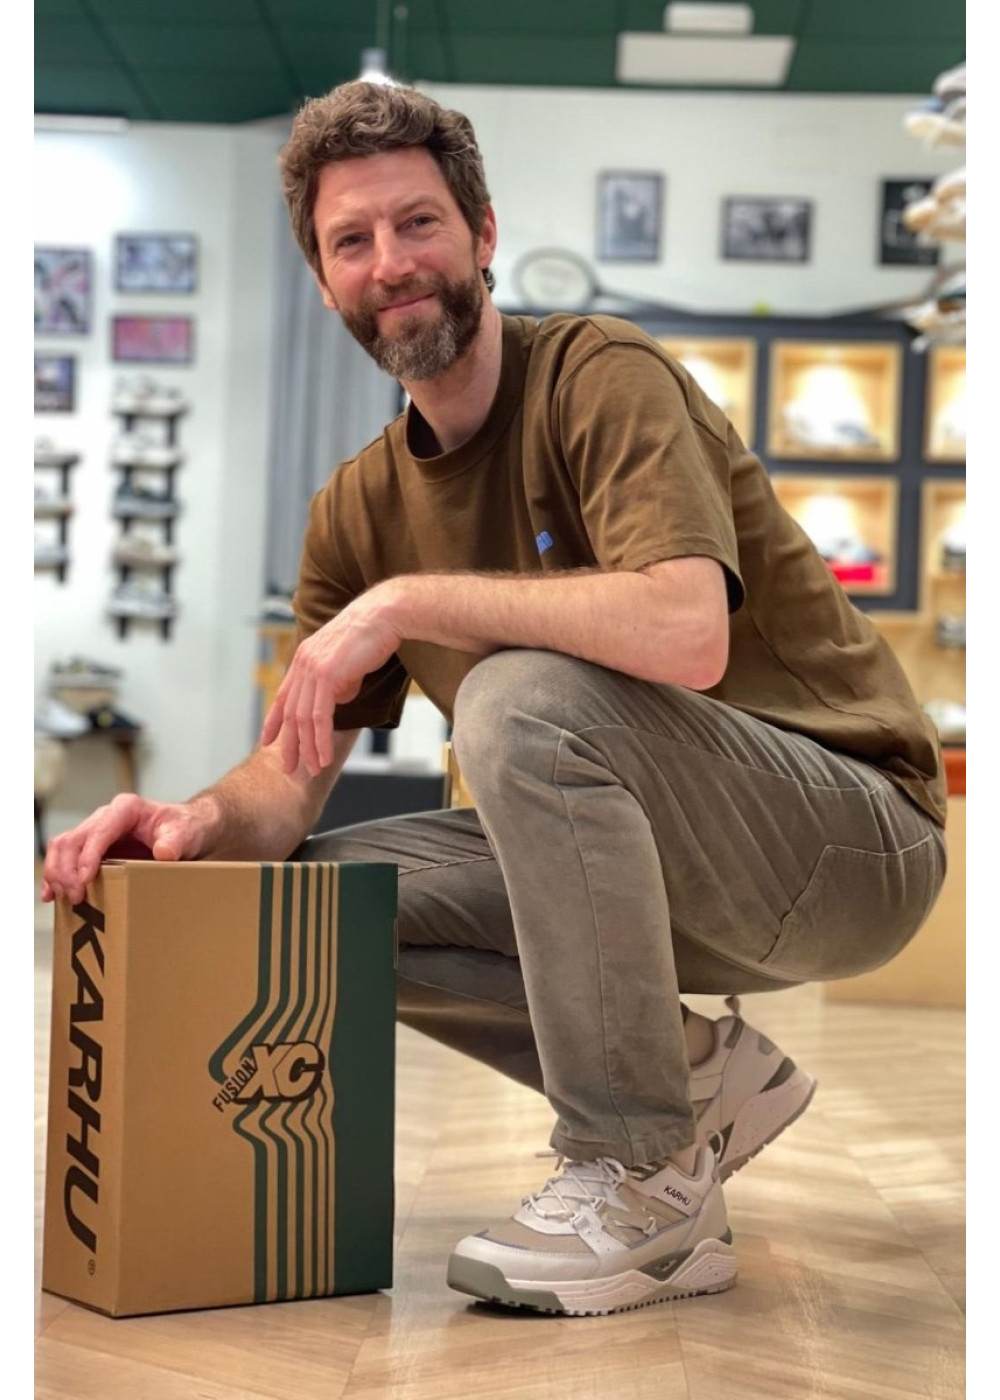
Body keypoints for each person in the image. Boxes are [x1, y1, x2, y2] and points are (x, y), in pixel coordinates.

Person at [42, 81, 947, 1318]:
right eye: (351, 240)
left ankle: (644, 1175)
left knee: (518, 698)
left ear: (481, 234)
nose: (389, 262)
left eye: (418, 223)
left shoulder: (598, 375)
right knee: (312, 906)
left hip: (852, 841)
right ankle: (692, 1079)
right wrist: (193, 822)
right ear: (323, 280)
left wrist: (410, 600)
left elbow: (684, 628)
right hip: (662, 876)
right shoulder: (354, 508)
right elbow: (288, 777)